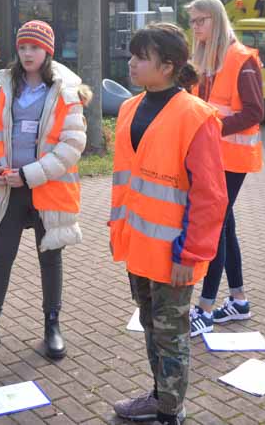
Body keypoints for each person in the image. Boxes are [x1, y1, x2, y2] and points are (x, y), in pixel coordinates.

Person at [111, 22, 228, 425]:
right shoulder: (129, 107)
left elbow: (210, 197)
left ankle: (170, 412)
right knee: (151, 326)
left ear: (168, 66)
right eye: (133, 55)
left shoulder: (197, 117)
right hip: (139, 247)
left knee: (172, 335)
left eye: (141, 57)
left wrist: (191, 254)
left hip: (175, 254)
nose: (132, 63)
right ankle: (160, 396)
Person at [0, 20, 89, 361]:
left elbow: (73, 144)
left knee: (50, 257)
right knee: (0, 256)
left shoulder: (65, 90)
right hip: (8, 188)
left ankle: (52, 327)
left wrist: (29, 175)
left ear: (48, 51)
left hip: (47, 188)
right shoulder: (7, 87)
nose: (28, 53)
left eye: (35, 47)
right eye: (23, 47)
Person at [184, 0, 264, 336]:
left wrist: (211, 128)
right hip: (211, 157)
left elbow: (254, 112)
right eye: (193, 22)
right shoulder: (204, 59)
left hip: (231, 159)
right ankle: (238, 300)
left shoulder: (242, 59)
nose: (196, 27)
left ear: (216, 20)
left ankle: (204, 307)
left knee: (215, 226)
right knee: (224, 225)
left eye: (201, 20)